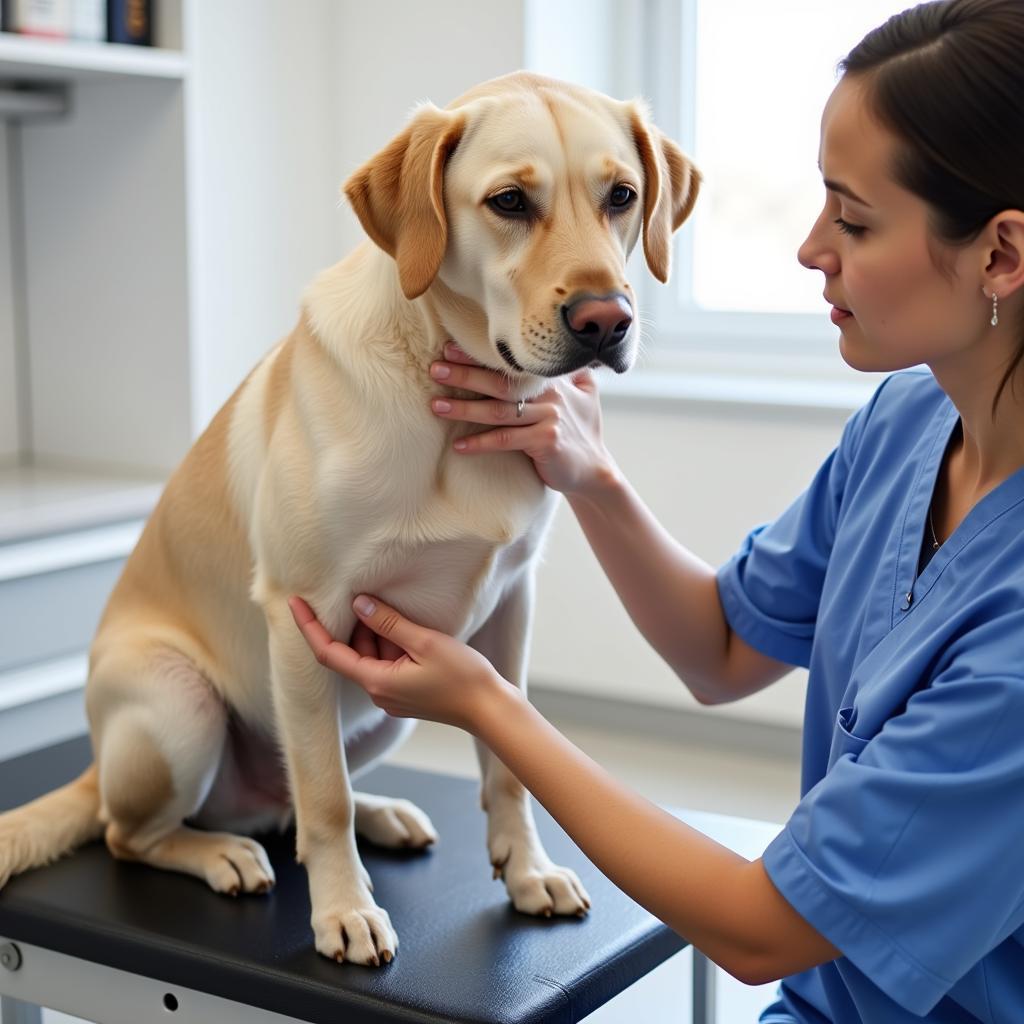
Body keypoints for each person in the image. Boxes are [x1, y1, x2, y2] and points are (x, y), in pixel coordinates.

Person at [287, 1, 1024, 1019]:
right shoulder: (908, 421)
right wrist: (594, 478)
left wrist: (486, 703)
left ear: (999, 255)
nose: (811, 248)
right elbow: (720, 649)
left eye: (852, 220)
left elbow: (761, 928)